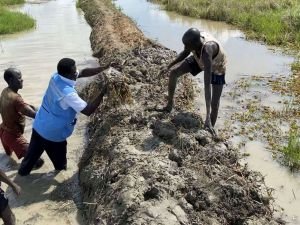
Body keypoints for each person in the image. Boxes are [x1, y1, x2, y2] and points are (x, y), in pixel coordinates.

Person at [18, 58, 110, 176]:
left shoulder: (55, 77)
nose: (76, 73)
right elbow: (88, 110)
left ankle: (21, 187)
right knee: (60, 168)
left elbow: (82, 72)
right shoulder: (68, 94)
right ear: (67, 74)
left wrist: (104, 68)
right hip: (54, 135)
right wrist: (104, 91)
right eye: (73, 72)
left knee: (26, 166)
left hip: (39, 126)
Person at [159, 27, 226, 135]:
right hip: (199, 58)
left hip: (217, 66)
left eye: (187, 45)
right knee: (174, 73)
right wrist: (168, 66)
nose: (185, 47)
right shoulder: (195, 43)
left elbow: (207, 85)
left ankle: (209, 126)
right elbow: (185, 52)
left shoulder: (207, 50)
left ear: (195, 44)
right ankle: (169, 105)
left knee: (214, 102)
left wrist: (207, 115)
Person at [0, 68, 44, 167]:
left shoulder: (5, 92)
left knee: (8, 158)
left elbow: (10, 107)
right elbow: (32, 115)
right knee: (38, 162)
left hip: (3, 131)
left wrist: (31, 107)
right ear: (11, 80)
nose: (22, 80)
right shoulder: (16, 99)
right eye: (19, 78)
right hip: (13, 136)